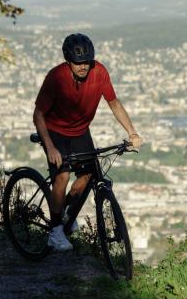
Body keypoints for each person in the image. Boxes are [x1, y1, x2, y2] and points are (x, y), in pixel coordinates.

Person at [33, 33, 143, 251]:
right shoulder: (56, 77)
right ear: (68, 60)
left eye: (86, 61)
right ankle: (55, 232)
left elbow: (113, 103)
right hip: (55, 132)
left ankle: (66, 211)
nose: (83, 66)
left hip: (81, 131)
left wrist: (132, 133)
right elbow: (38, 114)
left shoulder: (99, 72)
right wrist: (51, 147)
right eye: (78, 62)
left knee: (89, 174)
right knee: (62, 176)